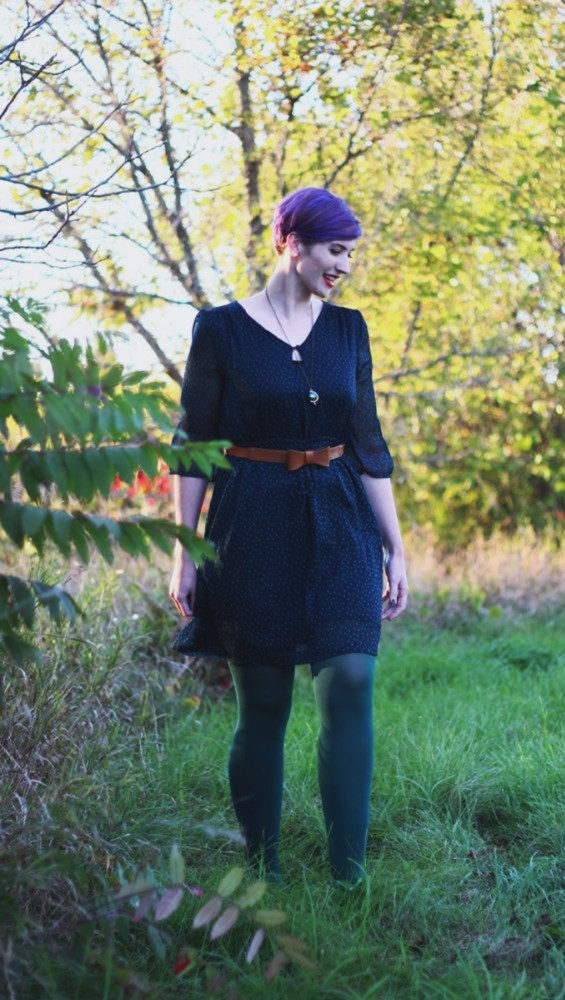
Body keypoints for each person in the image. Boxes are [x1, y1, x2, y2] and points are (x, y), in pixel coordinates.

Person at [168, 187, 408, 885]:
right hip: (251, 521)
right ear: (291, 243)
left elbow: (366, 441)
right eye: (336, 252)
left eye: (351, 255)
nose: (345, 268)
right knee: (264, 702)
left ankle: (348, 876)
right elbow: (194, 447)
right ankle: (262, 868)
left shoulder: (348, 331)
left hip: (340, 518)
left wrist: (395, 545)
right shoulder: (219, 331)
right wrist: (184, 552)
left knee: (352, 678)